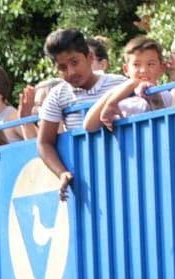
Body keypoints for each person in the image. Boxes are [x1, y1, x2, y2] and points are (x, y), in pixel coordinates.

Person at [36, 29, 130, 198]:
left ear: (89, 58)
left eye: (75, 62)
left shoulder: (119, 83)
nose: (71, 72)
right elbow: (44, 142)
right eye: (62, 67)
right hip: (86, 182)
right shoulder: (57, 96)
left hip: (125, 169)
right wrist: (61, 173)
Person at [82, 36, 172, 133]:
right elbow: (89, 125)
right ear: (125, 69)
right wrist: (131, 85)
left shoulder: (166, 95)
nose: (143, 70)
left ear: (162, 68)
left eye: (151, 64)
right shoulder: (122, 99)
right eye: (136, 64)